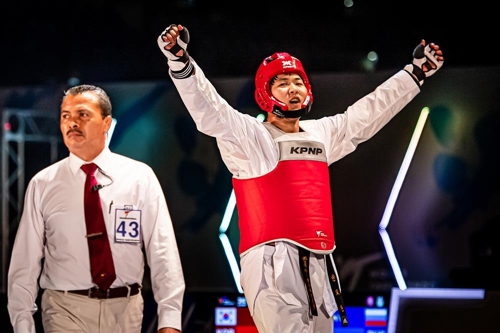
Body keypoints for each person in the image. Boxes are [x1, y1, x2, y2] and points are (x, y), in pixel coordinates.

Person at [157, 23, 444, 332]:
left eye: (298, 81)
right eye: (281, 83)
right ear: (264, 94)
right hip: (272, 264)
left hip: (320, 261)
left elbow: (369, 113)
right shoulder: (251, 137)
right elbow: (209, 109)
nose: (293, 88)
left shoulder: (321, 134)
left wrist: (415, 73)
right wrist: (180, 60)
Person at [7, 84, 185, 333]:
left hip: (126, 310)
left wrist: (170, 320)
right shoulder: (43, 183)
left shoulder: (139, 177)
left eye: (83, 114)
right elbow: (25, 262)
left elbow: (163, 252)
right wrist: (23, 324)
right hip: (64, 309)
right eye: (65, 116)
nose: (72, 123)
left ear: (107, 123)